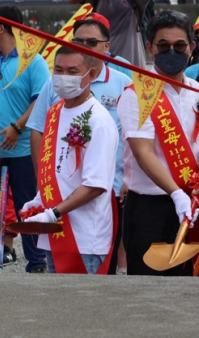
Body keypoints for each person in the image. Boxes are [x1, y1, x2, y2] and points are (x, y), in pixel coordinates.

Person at [27, 14, 131, 274]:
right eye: (58, 71)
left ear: (90, 74)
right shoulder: (55, 112)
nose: (63, 77)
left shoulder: (100, 120)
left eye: (72, 72)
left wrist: (53, 213)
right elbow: (55, 168)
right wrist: (39, 200)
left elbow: (96, 184)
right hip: (55, 230)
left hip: (85, 237)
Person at [118, 10, 199, 276]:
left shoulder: (196, 92)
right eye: (163, 46)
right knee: (148, 289)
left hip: (195, 203)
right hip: (151, 209)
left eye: (179, 46)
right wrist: (176, 194)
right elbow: (143, 153)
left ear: (192, 48)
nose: (171, 52)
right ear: (150, 48)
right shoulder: (137, 95)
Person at [0, 5, 50, 273]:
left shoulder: (34, 61)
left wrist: (17, 126)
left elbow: (41, 100)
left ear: (1, 28)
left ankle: (37, 261)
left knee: (27, 205)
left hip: (25, 149)